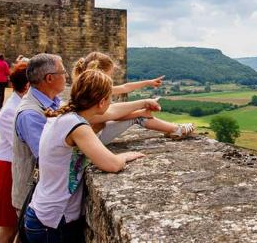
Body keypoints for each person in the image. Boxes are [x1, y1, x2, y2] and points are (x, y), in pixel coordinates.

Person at [12, 54, 161, 211]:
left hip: (47, 205)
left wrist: (141, 105)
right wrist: (121, 156)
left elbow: (107, 113)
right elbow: (47, 158)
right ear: (49, 78)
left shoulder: (56, 105)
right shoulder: (31, 114)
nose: (67, 76)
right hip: (41, 203)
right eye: (62, 72)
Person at [23, 70, 144, 242]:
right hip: (53, 222)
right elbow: (112, 164)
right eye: (110, 98)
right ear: (101, 102)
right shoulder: (76, 125)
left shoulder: (65, 116)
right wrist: (125, 156)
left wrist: (142, 104)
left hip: (45, 215)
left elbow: (113, 112)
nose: (111, 102)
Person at [72, 52, 195, 143]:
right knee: (138, 117)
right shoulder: (94, 94)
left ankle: (174, 129)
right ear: (100, 74)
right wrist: (141, 108)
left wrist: (149, 82)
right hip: (91, 140)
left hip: (90, 136)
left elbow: (125, 88)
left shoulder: (84, 89)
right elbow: (108, 114)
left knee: (137, 115)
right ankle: (176, 130)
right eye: (109, 76)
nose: (111, 80)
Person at [0, 62, 29, 243]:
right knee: (9, 230)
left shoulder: (20, 105)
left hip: (18, 169)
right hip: (8, 170)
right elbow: (21, 146)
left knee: (22, 228)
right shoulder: (10, 111)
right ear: (27, 86)